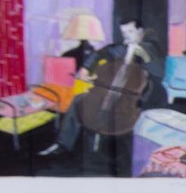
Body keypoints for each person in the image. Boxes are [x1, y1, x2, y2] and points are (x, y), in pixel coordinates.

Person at [39, 19, 164, 156]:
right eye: (123, 32)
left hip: (135, 98)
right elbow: (98, 54)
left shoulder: (151, 48)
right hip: (109, 90)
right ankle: (62, 144)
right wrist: (85, 69)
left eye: (130, 31)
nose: (126, 36)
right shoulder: (120, 48)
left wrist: (145, 57)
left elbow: (159, 72)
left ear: (140, 31)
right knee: (78, 100)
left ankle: (119, 147)